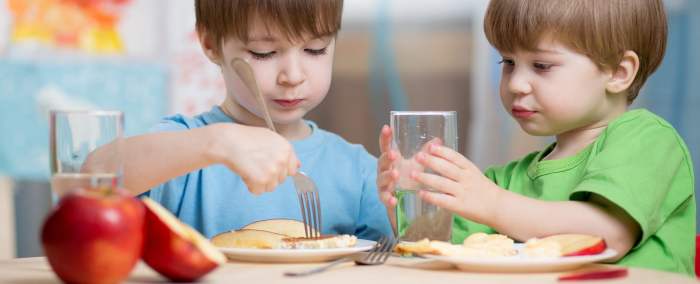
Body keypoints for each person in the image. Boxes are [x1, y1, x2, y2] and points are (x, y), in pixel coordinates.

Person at [377, 0, 695, 275]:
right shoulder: (508, 181)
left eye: (541, 65)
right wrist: (406, 198)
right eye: (508, 62)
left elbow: (607, 235)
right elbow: (435, 246)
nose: (516, 83)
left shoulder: (647, 140)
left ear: (619, 72)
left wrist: (494, 204)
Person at [97, 0, 391, 241]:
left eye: (315, 49)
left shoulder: (359, 172)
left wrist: (411, 208)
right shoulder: (187, 146)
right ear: (211, 44)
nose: (293, 76)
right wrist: (217, 142)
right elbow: (90, 181)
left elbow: (392, 262)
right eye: (263, 53)